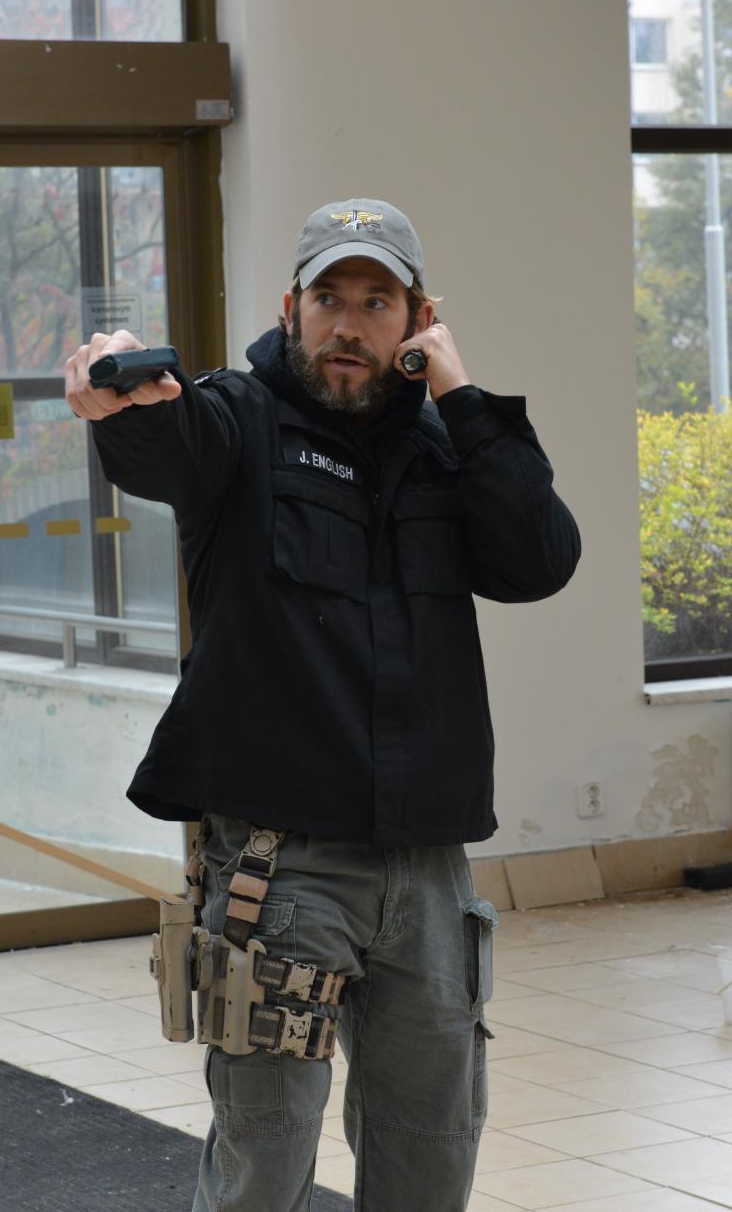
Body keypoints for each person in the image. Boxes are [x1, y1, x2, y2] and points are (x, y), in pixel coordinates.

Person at [65, 198, 580, 1212]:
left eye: (376, 302)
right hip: (281, 871)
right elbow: (166, 441)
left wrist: (463, 396)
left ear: (419, 319)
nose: (348, 324)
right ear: (289, 308)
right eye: (328, 299)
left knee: (432, 1154)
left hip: (427, 870)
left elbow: (540, 558)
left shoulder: (447, 446)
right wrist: (118, 393)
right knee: (264, 1162)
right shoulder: (240, 421)